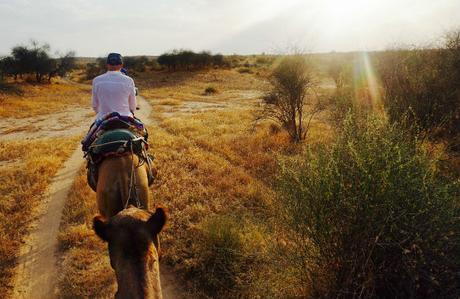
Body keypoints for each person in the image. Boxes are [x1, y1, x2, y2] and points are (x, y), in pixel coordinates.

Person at [92, 53, 137, 120]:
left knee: (91, 130)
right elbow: (133, 106)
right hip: (125, 117)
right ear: (121, 65)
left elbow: (95, 105)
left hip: (103, 118)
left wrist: (101, 114)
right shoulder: (129, 80)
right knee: (142, 130)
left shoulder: (97, 80)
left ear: (107, 64)